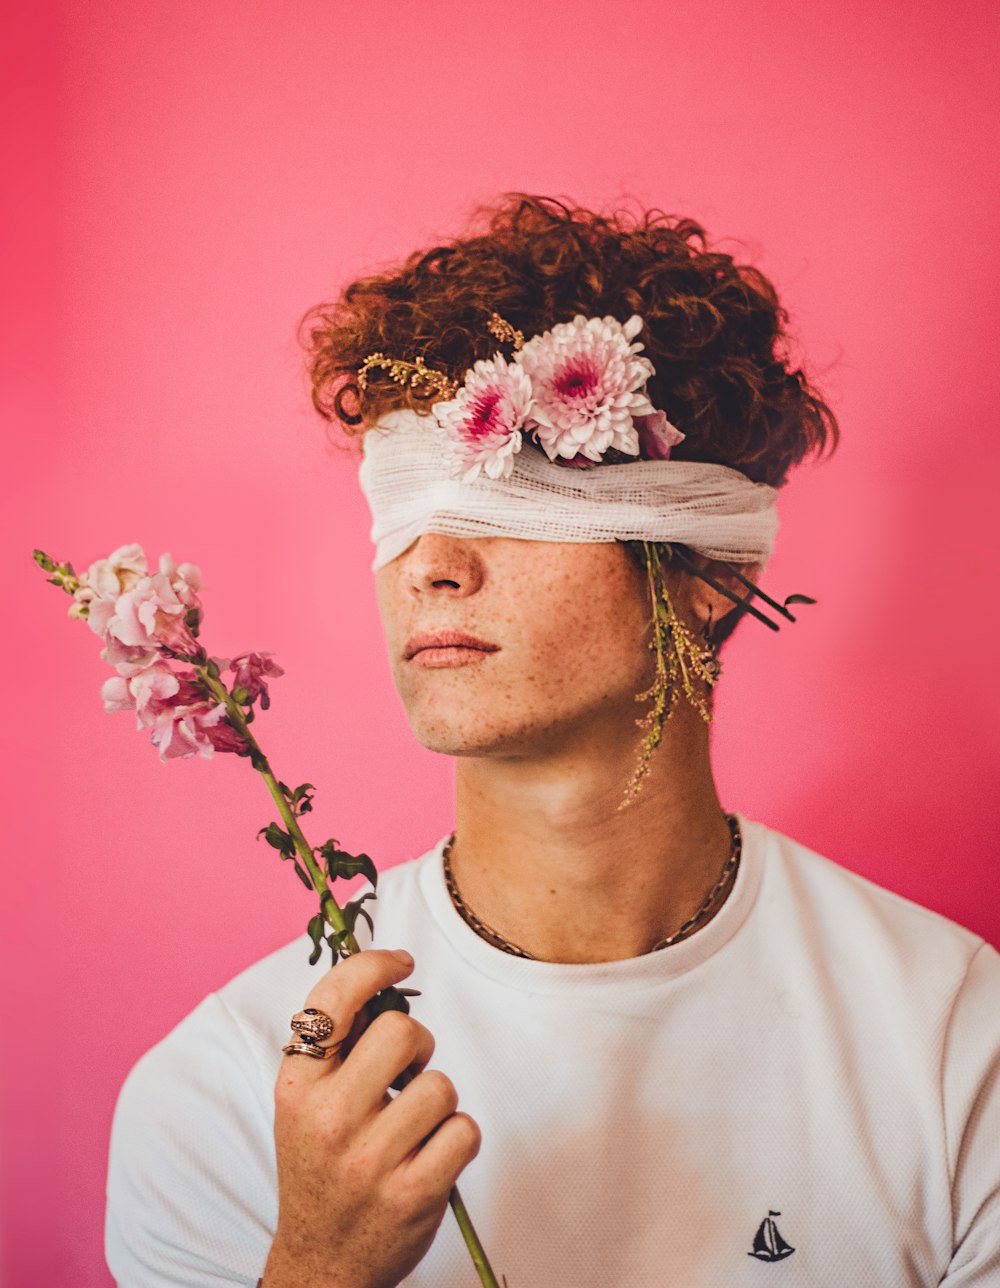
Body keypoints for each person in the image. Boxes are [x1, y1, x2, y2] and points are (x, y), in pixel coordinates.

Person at [105, 193, 1000, 1287]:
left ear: (711, 572)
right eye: (401, 505)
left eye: (513, 504)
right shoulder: (233, 1092)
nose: (429, 564)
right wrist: (315, 1268)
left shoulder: (953, 1045)